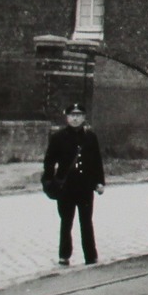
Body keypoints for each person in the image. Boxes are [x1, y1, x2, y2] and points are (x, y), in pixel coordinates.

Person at [43, 102, 105, 266]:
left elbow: (97, 161)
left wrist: (99, 182)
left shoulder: (90, 137)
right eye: (72, 115)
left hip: (85, 187)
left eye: (79, 115)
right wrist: (49, 182)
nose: (75, 118)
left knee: (86, 222)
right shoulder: (58, 138)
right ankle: (64, 255)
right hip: (66, 188)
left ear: (84, 118)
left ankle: (90, 256)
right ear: (67, 117)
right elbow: (49, 161)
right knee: (66, 222)